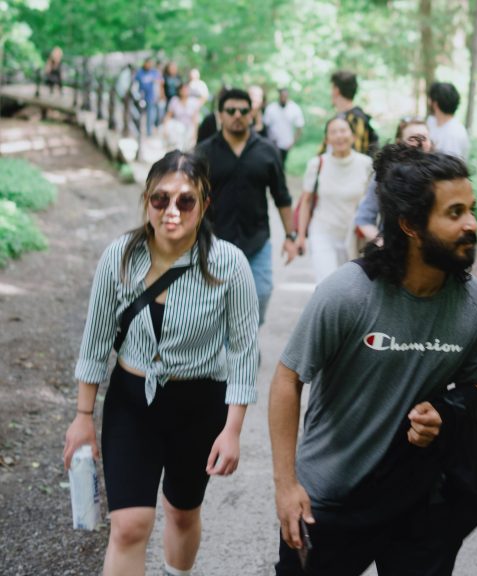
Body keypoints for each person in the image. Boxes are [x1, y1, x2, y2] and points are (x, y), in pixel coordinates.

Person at [269, 144, 477, 576]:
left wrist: (445, 413)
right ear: (411, 224)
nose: (472, 224)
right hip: (332, 498)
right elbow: (287, 379)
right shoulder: (348, 294)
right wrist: (286, 486)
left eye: (471, 209)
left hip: (421, 498)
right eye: (454, 213)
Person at [63, 151, 259, 576]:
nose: (172, 211)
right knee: (130, 526)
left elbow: (245, 352)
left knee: (183, 511)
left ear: (205, 205)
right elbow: (95, 340)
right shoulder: (119, 257)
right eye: (160, 199)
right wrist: (82, 417)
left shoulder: (229, 265)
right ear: (146, 201)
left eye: (185, 201)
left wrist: (233, 430)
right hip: (132, 403)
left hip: (199, 405)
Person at [196, 88, 299, 325]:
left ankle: (247, 338)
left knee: (261, 293)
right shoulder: (203, 153)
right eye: (230, 110)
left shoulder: (267, 150)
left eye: (243, 111)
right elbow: (191, 199)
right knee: (215, 305)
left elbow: (282, 197)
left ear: (252, 114)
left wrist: (290, 236)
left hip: (256, 241)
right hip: (214, 242)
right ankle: (226, 353)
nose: (237, 115)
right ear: (220, 115)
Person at [296, 116, 372, 283]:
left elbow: (372, 203)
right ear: (327, 139)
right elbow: (306, 201)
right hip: (323, 232)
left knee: (352, 287)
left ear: (352, 136)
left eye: (343, 131)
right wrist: (301, 236)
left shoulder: (366, 164)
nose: (339, 136)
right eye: (334, 132)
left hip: (354, 237)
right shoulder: (317, 164)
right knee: (327, 284)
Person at [355, 116, 433, 242]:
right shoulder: (384, 174)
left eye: (424, 138)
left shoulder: (439, 175)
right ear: (399, 141)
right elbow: (364, 218)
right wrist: (381, 243)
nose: (419, 143)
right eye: (412, 138)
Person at [324, 70, 379, 156]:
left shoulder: (356, 119)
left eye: (332, 88)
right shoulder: (338, 118)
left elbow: (357, 154)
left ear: (336, 90)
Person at [427, 82, 469, 160]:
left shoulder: (455, 133)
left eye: (430, 99)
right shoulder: (431, 121)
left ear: (435, 104)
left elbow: (450, 169)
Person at [264, 88, 305, 166]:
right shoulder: (271, 108)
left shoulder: (294, 108)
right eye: (282, 96)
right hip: (272, 143)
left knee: (281, 164)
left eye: (285, 96)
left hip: (285, 143)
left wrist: (293, 142)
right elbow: (266, 126)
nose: (283, 98)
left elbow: (299, 127)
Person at [163, 83, 201, 151]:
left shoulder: (194, 102)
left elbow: (195, 119)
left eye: (186, 89)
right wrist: (165, 128)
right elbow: (168, 115)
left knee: (188, 148)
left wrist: (195, 133)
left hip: (189, 128)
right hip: (177, 128)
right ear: (179, 91)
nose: (185, 91)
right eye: (183, 90)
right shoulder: (174, 100)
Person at [135, 57, 162, 136]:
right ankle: (139, 131)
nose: (149, 65)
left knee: (151, 115)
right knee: (140, 115)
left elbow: (160, 82)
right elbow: (135, 84)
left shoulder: (154, 72)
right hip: (141, 97)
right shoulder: (139, 73)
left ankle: (149, 132)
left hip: (151, 97)